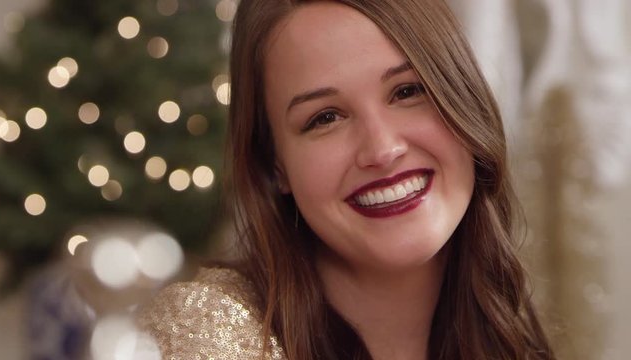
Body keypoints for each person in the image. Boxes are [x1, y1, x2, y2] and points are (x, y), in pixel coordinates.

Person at [137, 0, 556, 359]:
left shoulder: (509, 332)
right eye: (325, 118)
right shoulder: (203, 334)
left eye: (407, 91)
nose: (382, 150)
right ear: (275, 165)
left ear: (462, 97)